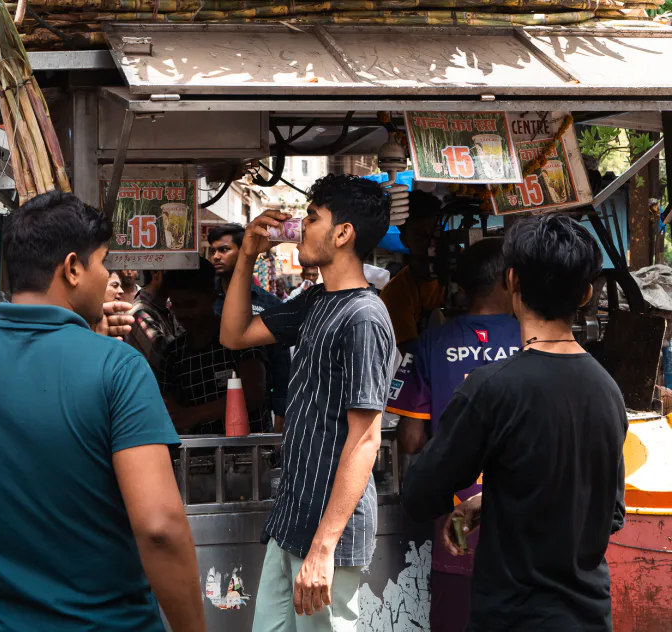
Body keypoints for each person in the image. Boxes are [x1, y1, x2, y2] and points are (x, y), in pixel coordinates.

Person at [0, 191, 205, 632]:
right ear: (73, 268)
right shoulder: (118, 367)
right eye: (103, 263)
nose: (109, 276)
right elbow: (159, 528)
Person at [402, 213, 627, 632]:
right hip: (589, 617)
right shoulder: (607, 390)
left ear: (512, 282)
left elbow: (419, 494)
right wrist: (491, 500)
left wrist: (461, 412)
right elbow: (610, 512)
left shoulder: (492, 388)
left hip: (514, 617)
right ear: (586, 294)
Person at [220, 174, 396, 631]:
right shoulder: (317, 301)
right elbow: (234, 334)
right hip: (293, 520)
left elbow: (365, 439)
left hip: (326, 536)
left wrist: (323, 548)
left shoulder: (363, 317)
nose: (300, 227)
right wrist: (246, 256)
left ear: (343, 234)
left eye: (312, 218)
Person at [387, 238, 521, 632]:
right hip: (520, 518)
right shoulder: (533, 340)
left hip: (456, 522)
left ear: (460, 287)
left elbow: (410, 440)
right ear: (510, 282)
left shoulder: (430, 342)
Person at [159, 259, 268, 434]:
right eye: (176, 305)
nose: (183, 314)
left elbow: (253, 392)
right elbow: (171, 408)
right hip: (196, 456)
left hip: (247, 453)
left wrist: (193, 415)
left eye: (191, 304)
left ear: (211, 296)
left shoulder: (241, 340)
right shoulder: (173, 353)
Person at [209, 224, 291, 430]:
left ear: (244, 251)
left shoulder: (268, 304)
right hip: (207, 404)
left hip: (256, 409)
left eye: (224, 249)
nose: (216, 256)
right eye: (213, 251)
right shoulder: (205, 301)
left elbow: (281, 362)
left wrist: (281, 413)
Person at [380, 188, 443, 352]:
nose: (431, 243)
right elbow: (408, 353)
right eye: (421, 236)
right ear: (404, 240)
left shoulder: (468, 267)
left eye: (435, 233)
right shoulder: (395, 293)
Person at [127, 270, 179, 373]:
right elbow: (167, 358)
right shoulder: (140, 313)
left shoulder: (168, 304)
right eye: (176, 271)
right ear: (156, 273)